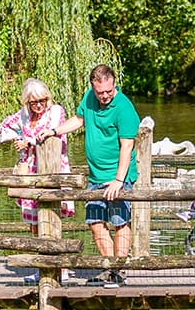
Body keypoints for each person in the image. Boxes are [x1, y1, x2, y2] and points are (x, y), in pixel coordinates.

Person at [40, 64, 138, 288]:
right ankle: (108, 267)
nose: (104, 96)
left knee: (120, 221)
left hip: (118, 175)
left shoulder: (124, 108)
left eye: (108, 91)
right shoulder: (89, 99)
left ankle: (119, 270)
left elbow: (127, 146)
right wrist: (54, 131)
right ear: (93, 87)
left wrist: (119, 180)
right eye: (100, 92)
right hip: (96, 175)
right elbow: (79, 120)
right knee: (95, 221)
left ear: (114, 85)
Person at [0, 78, 74, 226]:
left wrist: (28, 141)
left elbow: (49, 134)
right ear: (27, 102)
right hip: (30, 168)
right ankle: (38, 246)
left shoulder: (56, 111)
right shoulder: (24, 115)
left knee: (51, 214)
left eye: (42, 101)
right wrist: (18, 138)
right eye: (33, 102)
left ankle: (51, 246)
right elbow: (4, 128)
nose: (38, 105)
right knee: (33, 220)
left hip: (51, 166)